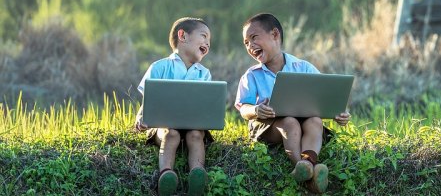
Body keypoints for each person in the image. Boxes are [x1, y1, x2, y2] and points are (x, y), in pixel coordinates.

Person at [235, 13, 351, 194]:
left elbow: (325, 95)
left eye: (254, 38)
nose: (250, 45)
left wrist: (338, 113)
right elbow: (243, 108)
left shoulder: (303, 67)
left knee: (315, 121)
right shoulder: (252, 75)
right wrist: (256, 110)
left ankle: (307, 164)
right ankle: (302, 165)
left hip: (302, 121)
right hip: (268, 126)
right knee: (289, 122)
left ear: (275, 35)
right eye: (246, 43)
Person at [134, 17, 213, 196]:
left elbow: (206, 104)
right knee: (171, 134)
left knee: (195, 135)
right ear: (182, 36)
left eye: (209, 40)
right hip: (165, 125)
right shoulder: (159, 67)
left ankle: (197, 174)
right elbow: (149, 100)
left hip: (193, 125)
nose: (207, 43)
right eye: (204, 36)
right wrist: (141, 116)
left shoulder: (204, 73)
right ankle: (166, 174)